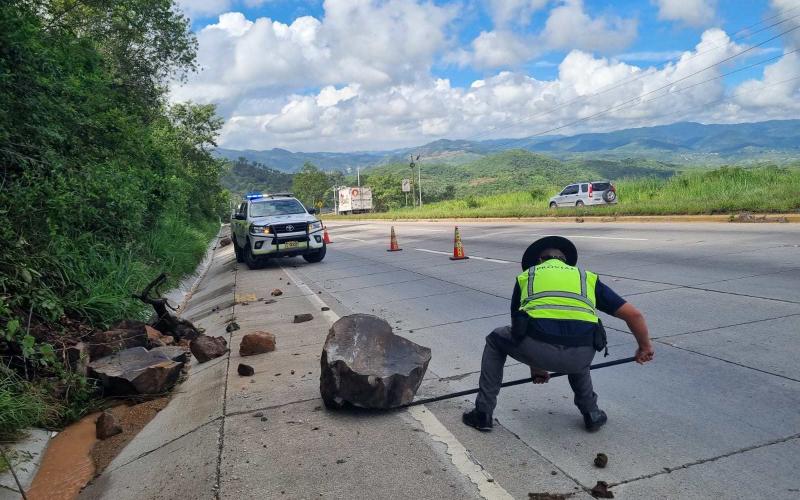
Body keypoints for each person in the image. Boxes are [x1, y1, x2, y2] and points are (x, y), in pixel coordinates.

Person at [462, 236, 654, 432]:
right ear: (565, 261)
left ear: (539, 261)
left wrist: (537, 366)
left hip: (537, 347)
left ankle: (483, 413)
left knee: (495, 340)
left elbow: (519, 328)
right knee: (578, 337)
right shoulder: (585, 277)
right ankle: (592, 413)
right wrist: (645, 347)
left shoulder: (527, 276)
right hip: (581, 355)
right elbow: (634, 315)